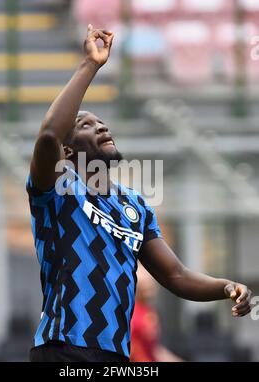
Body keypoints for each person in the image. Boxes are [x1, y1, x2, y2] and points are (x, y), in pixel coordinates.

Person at [27, 25, 252, 362]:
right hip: (63, 349)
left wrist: (224, 286)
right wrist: (90, 64)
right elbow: (47, 138)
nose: (102, 127)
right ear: (69, 151)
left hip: (117, 355)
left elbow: (175, 275)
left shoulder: (134, 205)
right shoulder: (57, 189)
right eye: (86, 125)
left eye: (102, 122)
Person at [131, 263, 182, 362]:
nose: (149, 288)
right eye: (145, 286)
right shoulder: (131, 313)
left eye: (150, 285)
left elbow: (154, 350)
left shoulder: (149, 313)